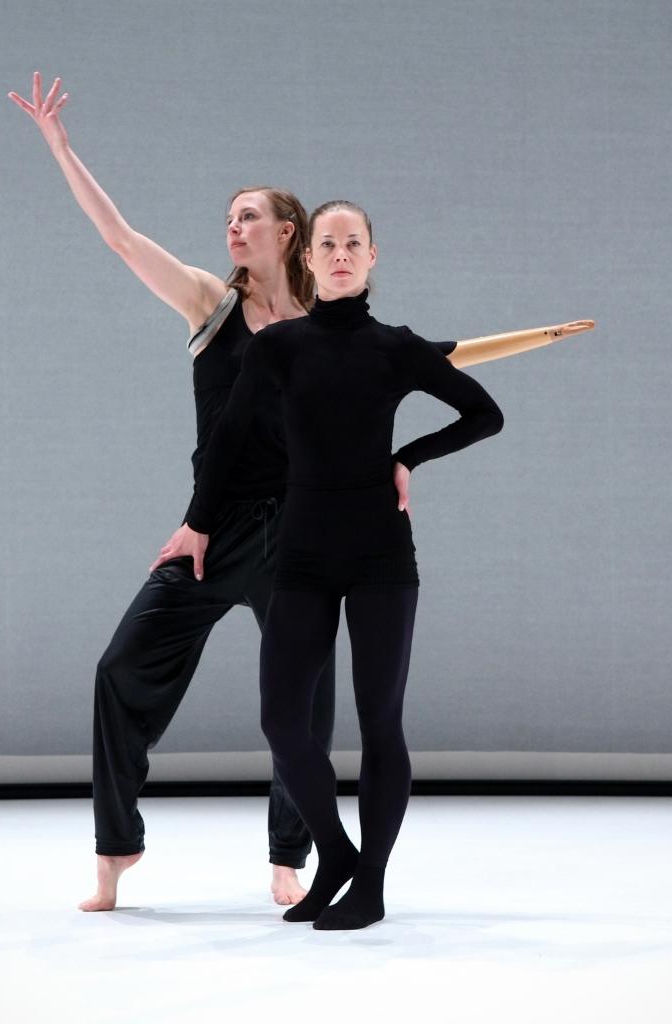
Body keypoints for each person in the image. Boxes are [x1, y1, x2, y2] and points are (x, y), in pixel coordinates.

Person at [9, 73, 593, 914]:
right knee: (120, 668)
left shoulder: (331, 328)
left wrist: (540, 335)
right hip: (216, 527)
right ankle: (116, 848)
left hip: (305, 530)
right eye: (229, 217)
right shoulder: (210, 304)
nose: (231, 227)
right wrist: (61, 147)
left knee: (307, 708)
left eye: (248, 216)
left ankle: (293, 857)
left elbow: (441, 356)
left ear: (291, 234)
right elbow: (121, 240)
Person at [180, 200, 504, 930]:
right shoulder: (278, 347)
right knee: (281, 720)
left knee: (379, 721)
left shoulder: (396, 347)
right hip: (302, 552)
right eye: (327, 244)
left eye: (353, 243)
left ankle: (371, 884)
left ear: (371, 256)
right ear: (310, 257)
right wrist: (198, 524)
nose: (340, 254)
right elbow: (227, 442)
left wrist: (407, 457)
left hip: (381, 553)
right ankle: (335, 854)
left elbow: (485, 414)